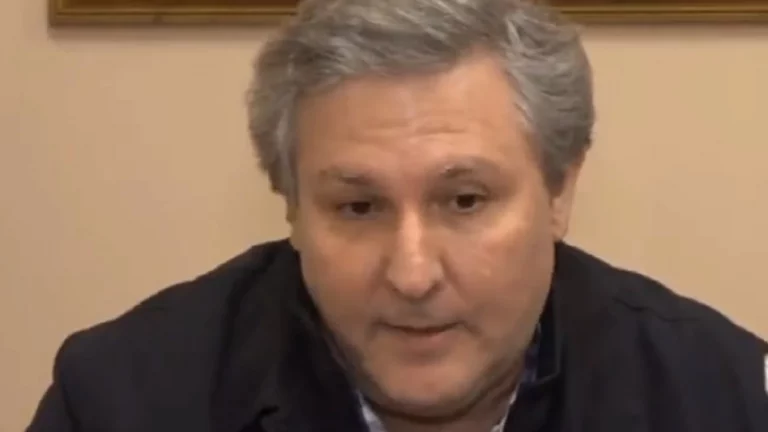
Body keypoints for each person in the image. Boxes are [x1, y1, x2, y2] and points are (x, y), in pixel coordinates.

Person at [27, 0, 768, 431]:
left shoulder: (721, 398)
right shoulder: (123, 402)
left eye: (465, 200)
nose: (412, 274)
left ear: (559, 192)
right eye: (358, 207)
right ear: (292, 208)